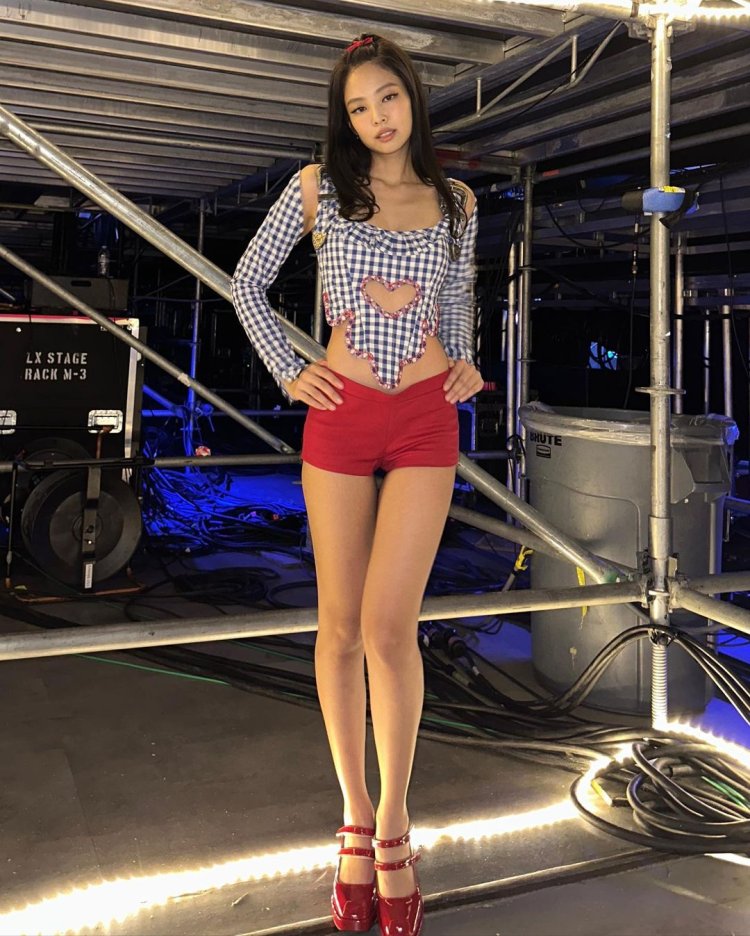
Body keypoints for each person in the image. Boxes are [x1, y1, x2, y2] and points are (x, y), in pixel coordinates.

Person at [231, 32, 481, 936]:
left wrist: (467, 359)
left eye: (389, 97)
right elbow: (247, 285)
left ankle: (398, 828)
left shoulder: (456, 200)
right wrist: (289, 370)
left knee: (388, 626)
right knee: (339, 628)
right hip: (341, 415)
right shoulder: (317, 189)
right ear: (344, 119)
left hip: (425, 420)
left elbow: (458, 303)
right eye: (358, 107)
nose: (378, 117)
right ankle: (355, 818)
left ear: (413, 96)